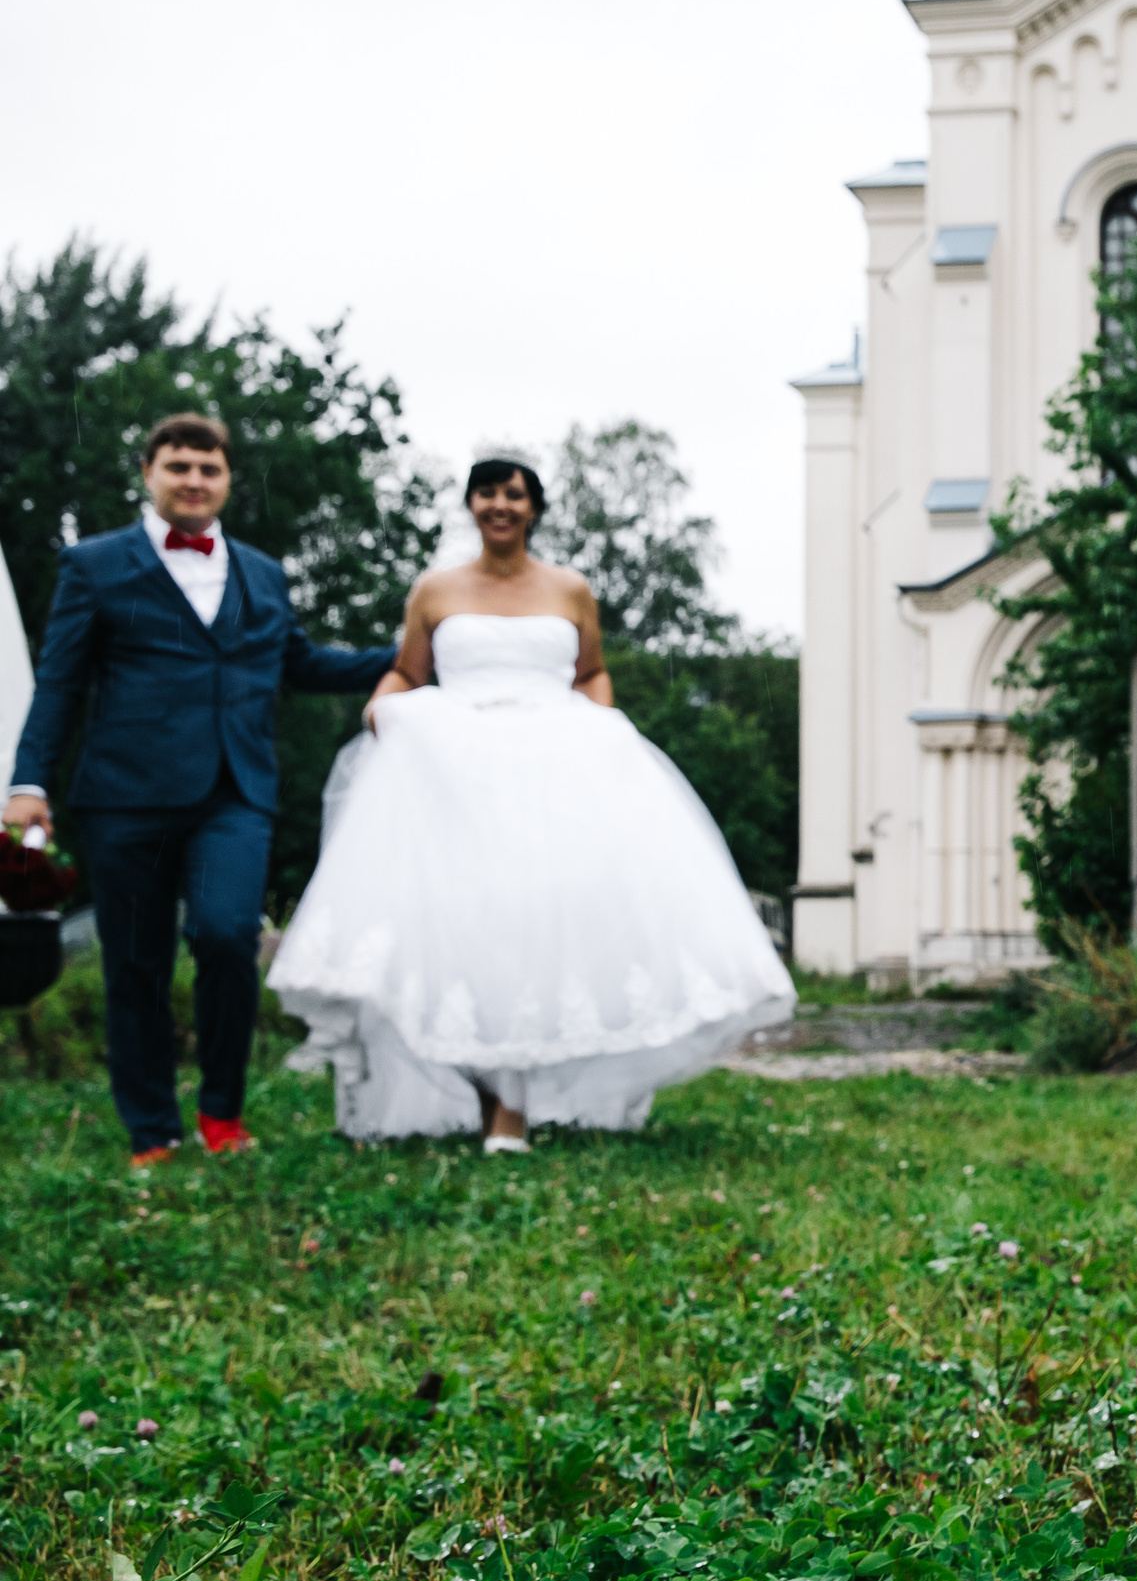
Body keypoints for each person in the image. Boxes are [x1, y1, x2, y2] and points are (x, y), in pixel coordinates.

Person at [265, 457, 793, 1152]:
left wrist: (600, 731)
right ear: (472, 505)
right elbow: (407, 668)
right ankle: (498, 1109)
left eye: (513, 493)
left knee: (546, 928)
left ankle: (535, 1097)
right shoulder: (436, 588)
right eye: (487, 492)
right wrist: (384, 704)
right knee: (467, 928)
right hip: (456, 776)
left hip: (554, 776)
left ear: (534, 507)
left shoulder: (570, 588)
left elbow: (592, 673)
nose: (500, 504)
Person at [5, 414, 397, 1167]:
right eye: (178, 465)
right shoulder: (94, 565)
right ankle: (152, 1129)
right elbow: (59, 683)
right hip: (124, 795)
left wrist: (419, 651)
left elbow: (302, 664)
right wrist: (28, 782)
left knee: (225, 935)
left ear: (226, 480)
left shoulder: (263, 572)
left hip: (234, 792)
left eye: (208, 468)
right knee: (136, 964)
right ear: (149, 473)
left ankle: (223, 1112)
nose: (193, 480)